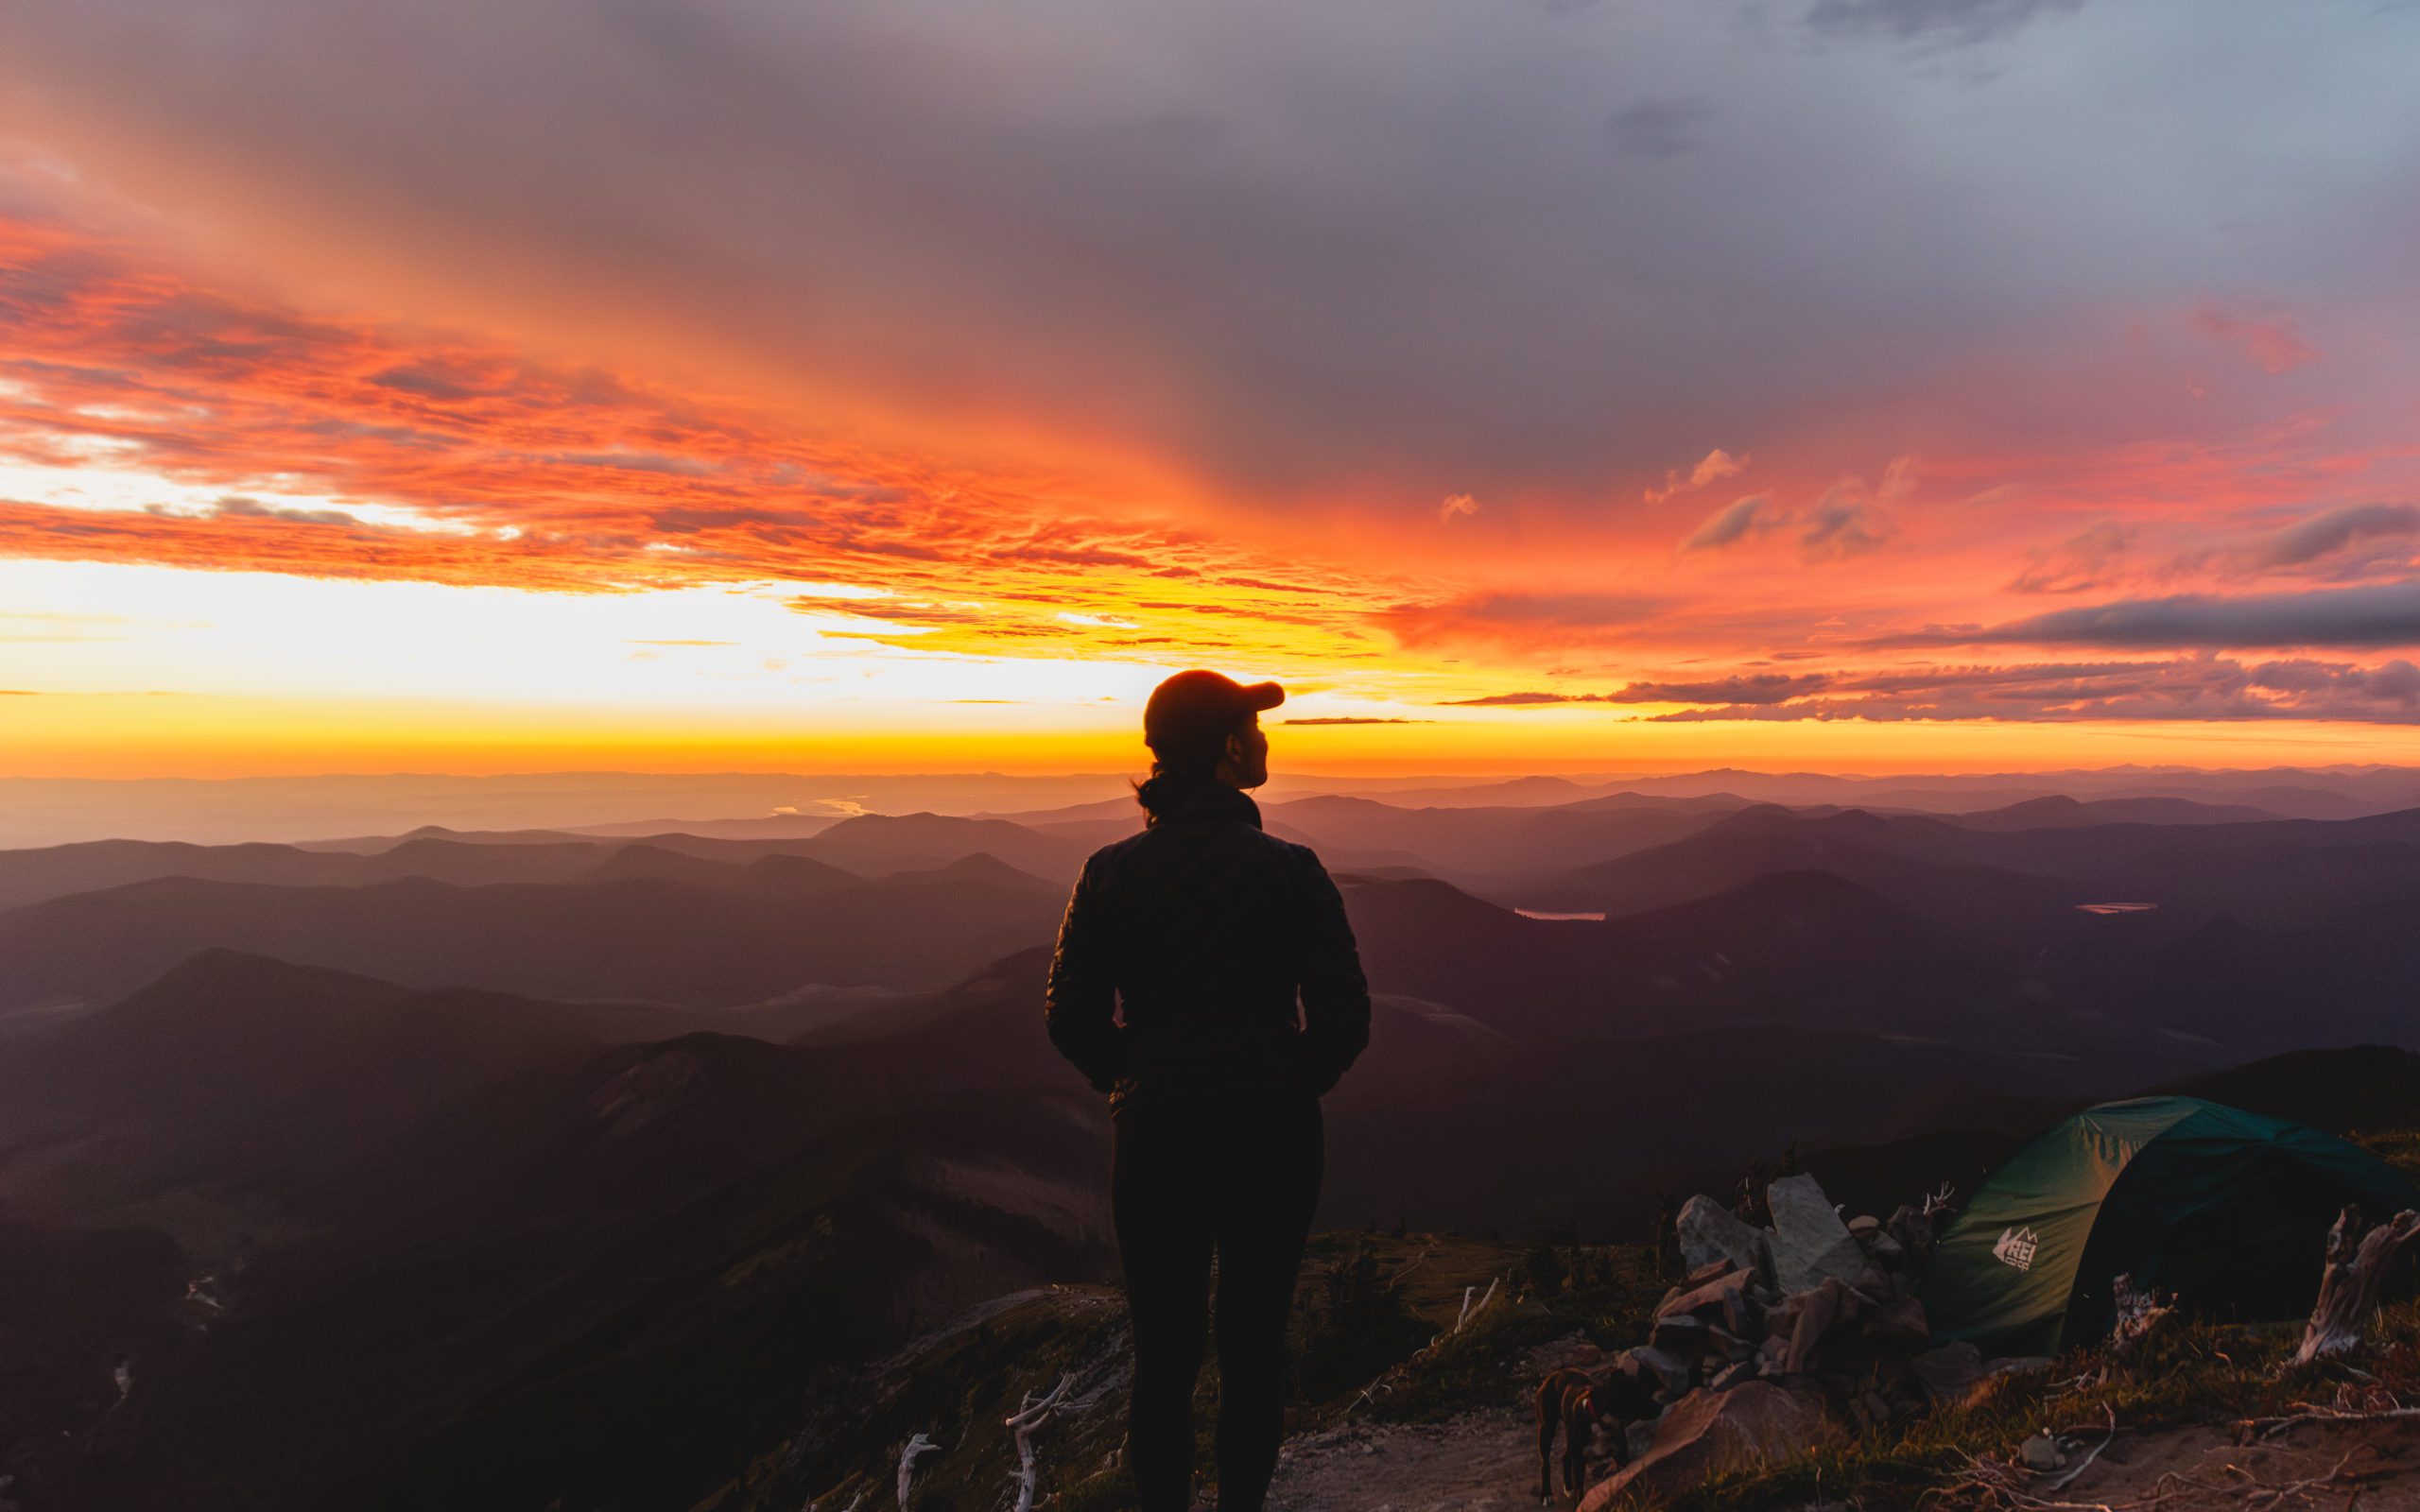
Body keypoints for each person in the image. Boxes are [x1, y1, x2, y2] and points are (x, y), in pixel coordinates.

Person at [1045, 669, 1373, 1512]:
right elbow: (1343, 1016)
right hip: (1274, 1134)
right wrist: (1284, 1081)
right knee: (1253, 1345)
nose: (1267, 741)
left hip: (1156, 1137)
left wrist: (1135, 1079)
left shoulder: (1109, 873)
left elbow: (1069, 1015)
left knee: (1165, 1352)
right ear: (1229, 749)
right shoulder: (1293, 871)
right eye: (1254, 730)